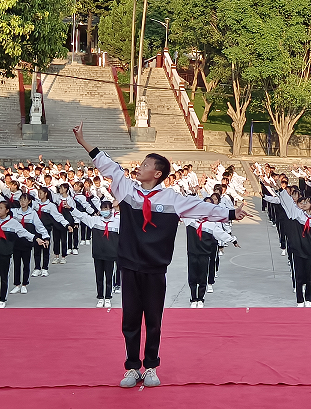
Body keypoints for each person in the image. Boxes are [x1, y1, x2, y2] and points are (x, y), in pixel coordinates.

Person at [73, 122, 249, 389]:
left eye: (144, 165)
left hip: (155, 268)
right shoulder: (126, 190)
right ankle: (132, 368)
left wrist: (232, 214)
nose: (139, 168)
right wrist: (84, 142)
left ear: (156, 173)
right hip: (130, 266)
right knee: (130, 319)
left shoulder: (172, 199)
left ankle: (151, 366)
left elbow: (202, 208)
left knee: (153, 320)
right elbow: (107, 165)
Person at [70, 201, 121, 308]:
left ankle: (107, 297)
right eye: (102, 209)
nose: (104, 211)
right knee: (99, 277)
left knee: (109, 276)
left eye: (106, 209)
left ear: (111, 209)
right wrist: (71, 209)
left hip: (111, 254)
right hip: (98, 254)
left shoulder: (117, 222)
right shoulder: (95, 220)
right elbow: (82, 216)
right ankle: (100, 297)